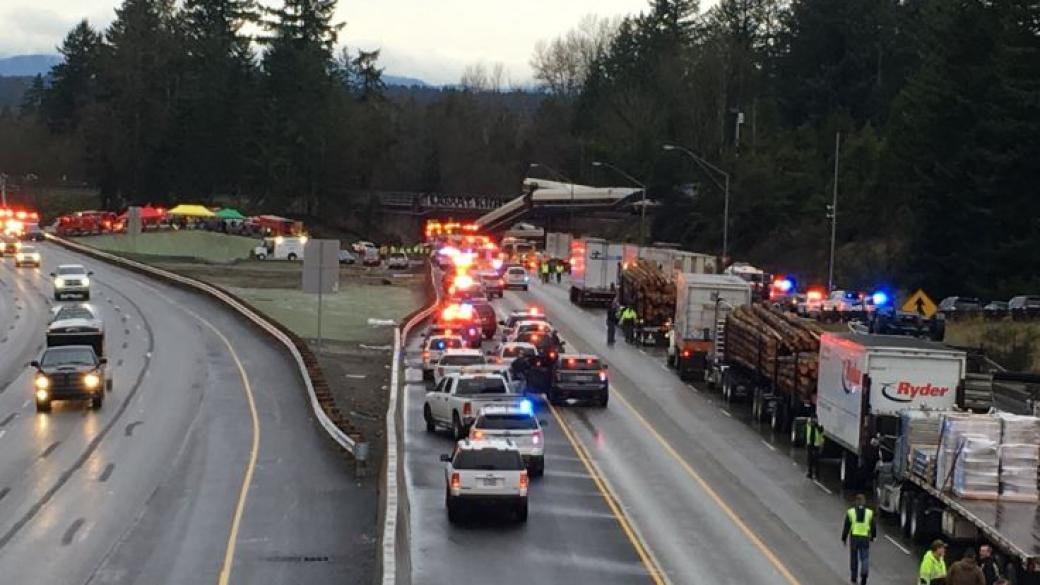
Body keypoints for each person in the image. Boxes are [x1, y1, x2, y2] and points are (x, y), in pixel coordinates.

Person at [841, 494, 876, 585]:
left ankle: (854, 577)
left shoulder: (851, 512)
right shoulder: (869, 513)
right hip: (864, 538)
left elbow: (846, 526)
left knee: (854, 558)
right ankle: (864, 574)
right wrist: (873, 537)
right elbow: (873, 526)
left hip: (854, 538)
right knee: (865, 558)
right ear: (864, 502)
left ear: (856, 502)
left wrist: (844, 538)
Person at [805, 415, 825, 480]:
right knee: (809, 459)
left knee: (816, 461)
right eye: (812, 419)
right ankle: (810, 473)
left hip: (816, 445)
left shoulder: (819, 426)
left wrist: (816, 425)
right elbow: (807, 423)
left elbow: (821, 431)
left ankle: (817, 474)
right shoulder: (809, 424)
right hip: (810, 444)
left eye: (814, 419)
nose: (813, 420)